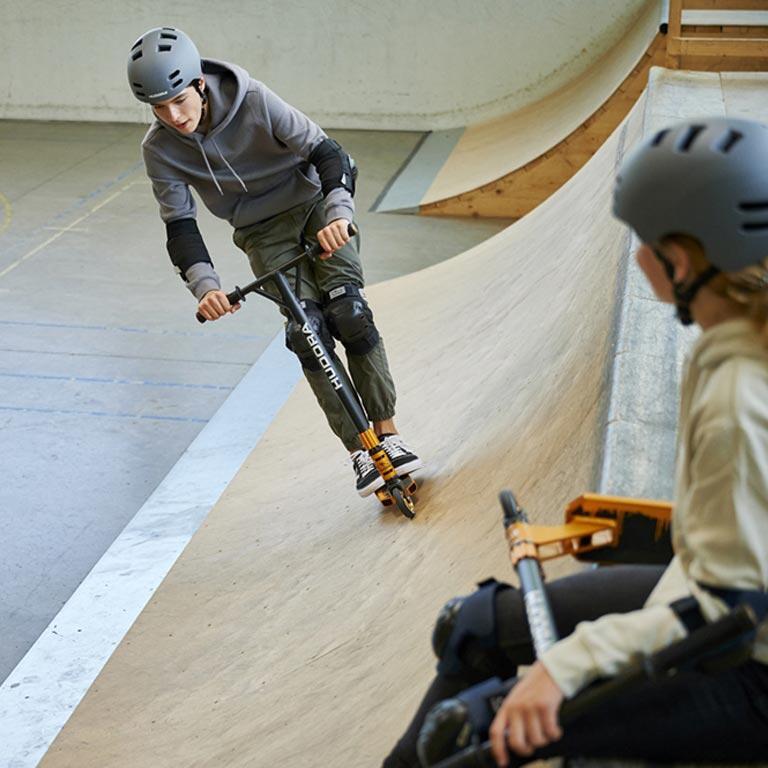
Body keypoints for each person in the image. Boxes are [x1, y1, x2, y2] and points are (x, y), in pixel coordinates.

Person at [383, 117, 768, 767]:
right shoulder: (734, 340)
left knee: (468, 732)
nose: (633, 255)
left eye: (639, 242)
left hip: (747, 666)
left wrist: (566, 667)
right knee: (474, 625)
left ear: (677, 261)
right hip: (711, 592)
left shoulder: (741, 395)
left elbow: (733, 619)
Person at [126, 26, 422, 496]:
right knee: (306, 332)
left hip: (314, 207)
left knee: (349, 311)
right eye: (159, 108)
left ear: (200, 82)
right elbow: (180, 227)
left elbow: (329, 153)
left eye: (180, 100)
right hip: (260, 232)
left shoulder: (255, 100)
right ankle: (361, 453)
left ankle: (390, 436)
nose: (173, 116)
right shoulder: (158, 149)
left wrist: (339, 213)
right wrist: (206, 288)